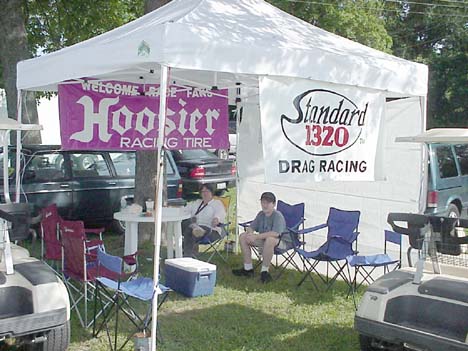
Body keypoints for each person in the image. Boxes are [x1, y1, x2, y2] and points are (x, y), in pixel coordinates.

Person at [232, 192, 287, 283]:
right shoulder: (261, 214)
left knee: (270, 240)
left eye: (267, 203)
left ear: (273, 204)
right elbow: (251, 227)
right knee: (243, 236)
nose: (264, 205)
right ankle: (248, 269)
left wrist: (256, 236)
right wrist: (250, 234)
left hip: (281, 242)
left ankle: (264, 272)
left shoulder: (277, 216)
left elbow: (276, 233)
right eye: (263, 202)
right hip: (263, 240)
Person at [182, 184, 227, 257]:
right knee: (184, 224)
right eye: (202, 192)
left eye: (207, 191)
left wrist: (216, 219)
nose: (205, 193)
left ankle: (187, 255)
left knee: (189, 230)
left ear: (211, 192)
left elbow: (220, 213)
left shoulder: (217, 203)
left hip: (211, 230)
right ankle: (189, 253)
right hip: (194, 226)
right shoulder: (197, 202)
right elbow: (185, 210)